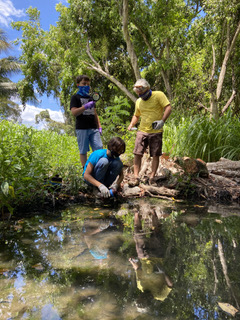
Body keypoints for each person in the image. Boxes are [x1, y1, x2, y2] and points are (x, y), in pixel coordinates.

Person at [127, 78, 172, 185]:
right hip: (142, 130)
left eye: (141, 92)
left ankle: (152, 177)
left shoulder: (158, 95)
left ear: (147, 88)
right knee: (137, 153)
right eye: (138, 93)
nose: (140, 94)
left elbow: (168, 107)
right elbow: (136, 115)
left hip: (156, 131)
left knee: (155, 155)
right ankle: (136, 177)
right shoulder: (138, 101)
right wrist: (131, 124)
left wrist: (162, 121)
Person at [129, 210, 173, 302]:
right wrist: (164, 272)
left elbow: (137, 270)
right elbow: (170, 285)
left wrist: (132, 262)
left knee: (138, 234)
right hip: (157, 256)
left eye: (139, 298)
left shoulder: (140, 286)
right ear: (148, 301)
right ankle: (153, 212)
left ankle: (136, 213)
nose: (141, 297)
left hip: (143, 256)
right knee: (156, 232)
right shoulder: (160, 296)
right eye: (142, 299)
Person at [70, 75, 103, 168]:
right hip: (82, 128)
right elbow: (74, 112)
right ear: (78, 85)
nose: (86, 86)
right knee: (83, 151)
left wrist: (99, 126)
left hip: (93, 128)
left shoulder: (91, 98)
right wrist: (85, 107)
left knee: (99, 148)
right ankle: (85, 172)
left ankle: (98, 169)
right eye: (84, 84)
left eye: (88, 84)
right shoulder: (75, 97)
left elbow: (95, 113)